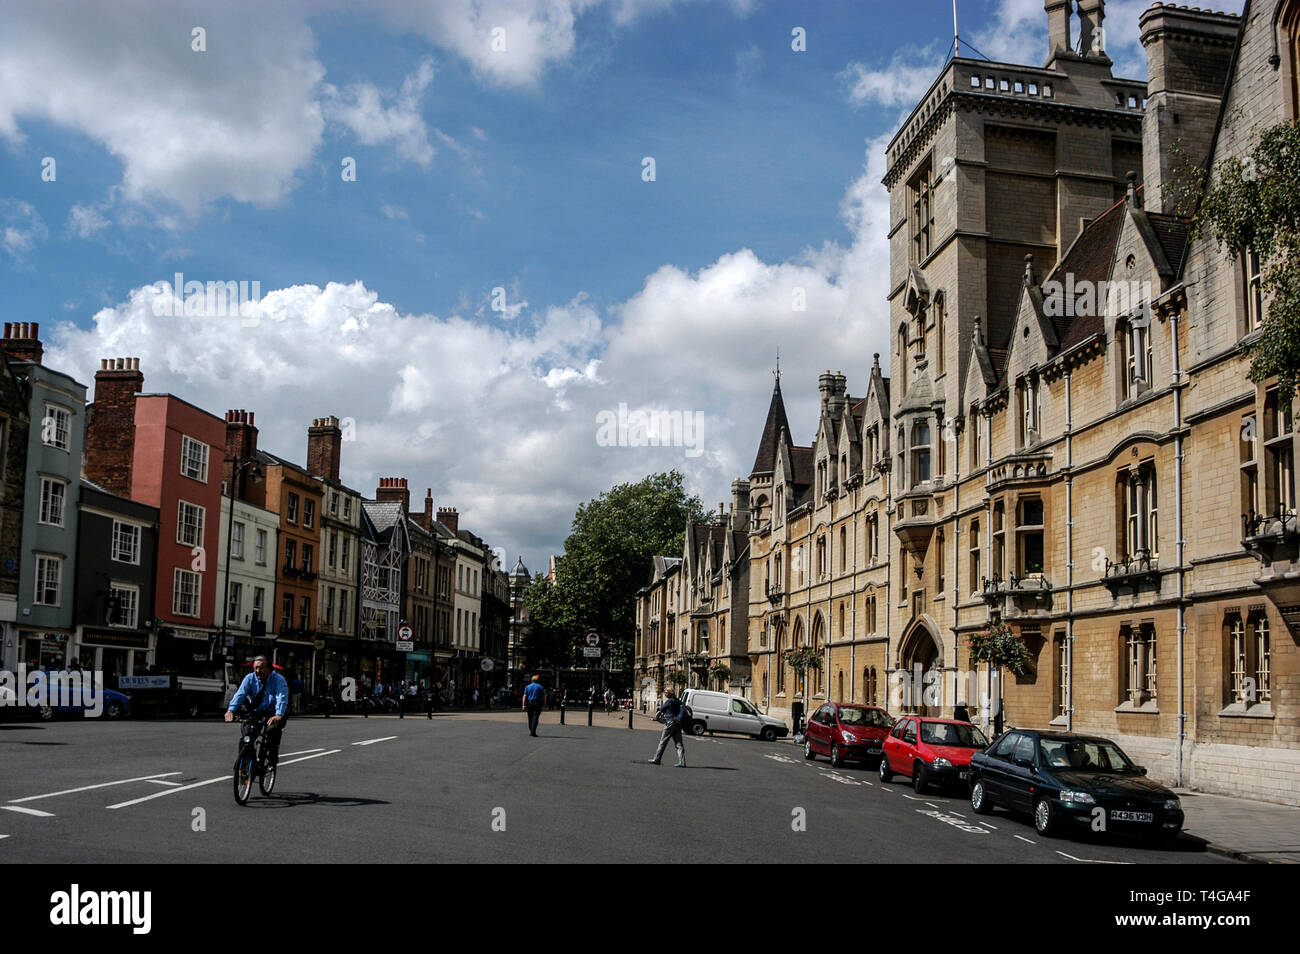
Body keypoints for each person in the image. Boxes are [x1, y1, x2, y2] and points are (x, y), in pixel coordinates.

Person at [224, 656, 289, 767]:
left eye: (261, 668)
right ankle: (244, 761)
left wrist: (278, 714)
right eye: (256, 668)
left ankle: (271, 756)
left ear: (269, 669)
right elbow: (240, 694)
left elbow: (281, 697)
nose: (258, 671)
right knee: (247, 736)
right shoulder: (249, 678)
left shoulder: (278, 680)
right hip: (255, 711)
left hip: (273, 712)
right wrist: (231, 710)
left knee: (271, 732)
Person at [648, 687, 687, 767]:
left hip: (670, 723)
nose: (665, 693)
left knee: (663, 742)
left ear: (670, 693)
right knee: (679, 744)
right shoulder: (678, 701)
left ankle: (657, 759)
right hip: (678, 724)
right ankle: (682, 762)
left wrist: (660, 714)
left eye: (666, 692)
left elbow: (661, 709)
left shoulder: (669, 701)